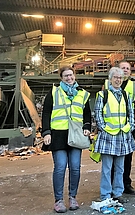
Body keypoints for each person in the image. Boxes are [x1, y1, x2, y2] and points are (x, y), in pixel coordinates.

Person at [42, 66, 91, 213]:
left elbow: (87, 113)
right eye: (66, 76)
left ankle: (72, 198)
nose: (69, 78)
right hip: (58, 135)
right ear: (61, 78)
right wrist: (46, 132)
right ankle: (58, 201)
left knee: (75, 167)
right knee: (60, 167)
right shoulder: (54, 92)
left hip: (75, 135)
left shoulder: (82, 93)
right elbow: (46, 113)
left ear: (74, 75)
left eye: (71, 75)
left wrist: (87, 126)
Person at [94, 67, 135, 203]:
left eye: (120, 78)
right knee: (107, 168)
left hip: (122, 136)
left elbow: (130, 113)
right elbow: (98, 114)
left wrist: (129, 126)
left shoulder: (126, 95)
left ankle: (117, 193)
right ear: (110, 79)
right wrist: (103, 128)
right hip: (108, 136)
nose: (118, 80)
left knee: (120, 168)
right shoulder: (102, 95)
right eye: (115, 77)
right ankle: (105, 194)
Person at [104, 61, 135, 195]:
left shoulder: (133, 85)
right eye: (122, 68)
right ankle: (111, 187)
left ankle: (126, 184)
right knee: (111, 160)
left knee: (126, 158)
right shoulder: (107, 85)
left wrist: (133, 122)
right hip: (111, 129)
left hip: (126, 129)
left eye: (127, 68)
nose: (125, 70)